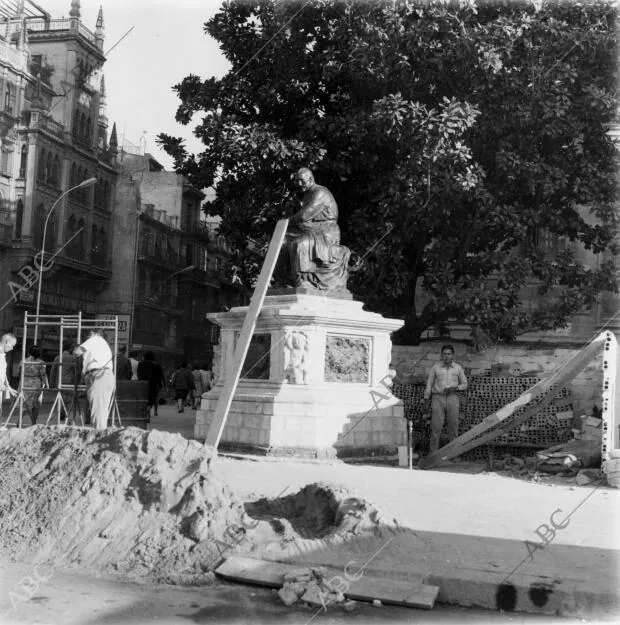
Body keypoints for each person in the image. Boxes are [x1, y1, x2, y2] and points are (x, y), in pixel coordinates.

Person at [276, 168, 350, 291]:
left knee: (300, 244)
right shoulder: (307, 194)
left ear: (311, 179)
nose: (299, 184)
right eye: (297, 181)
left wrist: (286, 222)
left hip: (327, 231)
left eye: (302, 181)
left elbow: (305, 215)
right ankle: (284, 280)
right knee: (282, 242)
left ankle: (303, 280)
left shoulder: (320, 192)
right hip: (312, 228)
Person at [422, 345, 468, 454]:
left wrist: (456, 388)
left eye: (449, 354)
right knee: (436, 426)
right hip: (438, 398)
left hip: (453, 397)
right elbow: (429, 384)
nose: (447, 356)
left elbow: (465, 384)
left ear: (452, 355)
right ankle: (433, 454)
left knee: (453, 425)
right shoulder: (435, 368)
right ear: (441, 355)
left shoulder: (458, 368)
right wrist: (426, 399)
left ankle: (453, 454)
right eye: (445, 354)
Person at [74, 329, 115, 430]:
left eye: (89, 334)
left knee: (98, 410)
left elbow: (77, 352)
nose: (88, 337)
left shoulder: (95, 339)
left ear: (95, 333)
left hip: (99, 375)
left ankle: (99, 436)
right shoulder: (103, 344)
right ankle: (101, 434)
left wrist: (77, 346)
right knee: (101, 410)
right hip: (104, 375)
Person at [19, 345, 48, 426]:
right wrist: (47, 384)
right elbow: (43, 375)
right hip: (36, 385)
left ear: (29, 352)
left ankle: (20, 421)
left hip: (25, 383)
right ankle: (33, 422)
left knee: (25, 403)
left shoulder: (23, 361)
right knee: (36, 404)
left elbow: (20, 373)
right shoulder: (41, 363)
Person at [50, 341, 79, 421]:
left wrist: (51, 383)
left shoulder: (57, 357)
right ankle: (66, 415)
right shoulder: (73, 358)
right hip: (70, 382)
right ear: (70, 348)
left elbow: (53, 371)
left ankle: (61, 414)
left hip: (59, 382)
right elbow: (76, 371)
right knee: (69, 401)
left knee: (60, 399)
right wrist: (78, 382)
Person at [137, 351, 165, 418]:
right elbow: (161, 376)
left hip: (143, 385)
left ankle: (147, 413)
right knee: (151, 400)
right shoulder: (157, 366)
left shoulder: (141, 364)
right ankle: (148, 411)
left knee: (144, 399)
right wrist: (162, 385)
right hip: (153, 385)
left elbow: (139, 374)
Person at [0, 333, 18, 420]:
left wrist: (8, 386)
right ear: (6, 341)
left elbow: (3, 372)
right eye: (12, 345)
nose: (12, 348)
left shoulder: (2, 354)